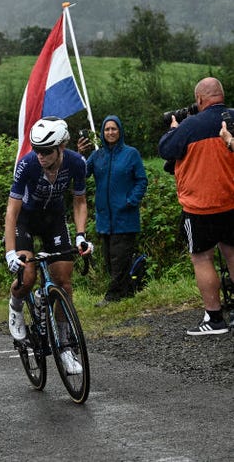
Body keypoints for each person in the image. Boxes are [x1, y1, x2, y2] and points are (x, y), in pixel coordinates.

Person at [5, 117, 92, 374]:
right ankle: (16, 305)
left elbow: (80, 202)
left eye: (46, 151)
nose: (40, 156)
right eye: (36, 150)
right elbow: (11, 212)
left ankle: (64, 346)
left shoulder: (77, 163)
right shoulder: (28, 164)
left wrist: (80, 235)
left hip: (54, 219)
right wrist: (11, 252)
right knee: (28, 275)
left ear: (61, 147)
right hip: (26, 221)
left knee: (64, 283)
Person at [159, 77, 234, 335]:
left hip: (200, 206)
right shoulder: (232, 118)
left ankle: (214, 319)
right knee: (233, 254)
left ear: (200, 100)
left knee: (202, 258)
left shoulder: (190, 126)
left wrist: (173, 128)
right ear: (221, 95)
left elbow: (166, 149)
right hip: (231, 200)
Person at [77, 116, 148, 305]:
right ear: (102, 132)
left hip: (125, 216)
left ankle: (112, 296)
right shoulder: (97, 156)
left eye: (114, 129)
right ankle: (127, 293)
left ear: (120, 131)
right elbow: (81, 175)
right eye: (107, 129)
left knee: (119, 258)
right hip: (104, 218)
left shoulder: (131, 154)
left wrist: (131, 200)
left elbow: (141, 180)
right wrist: (80, 155)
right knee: (110, 259)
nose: (110, 132)